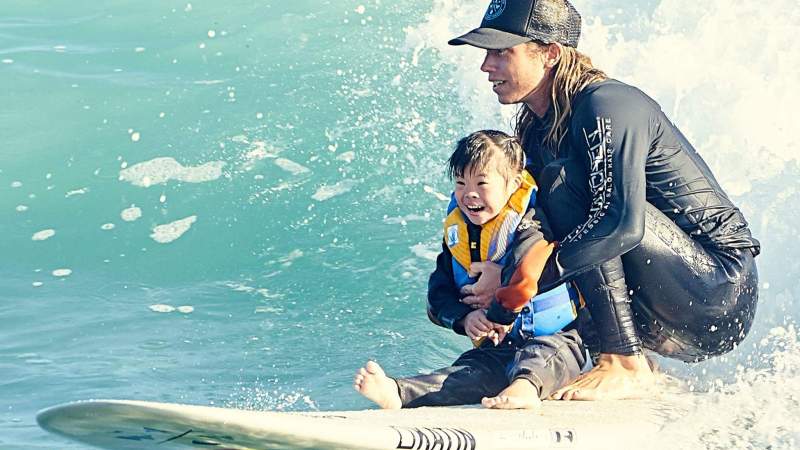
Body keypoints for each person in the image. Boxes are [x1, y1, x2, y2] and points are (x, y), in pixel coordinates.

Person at [447, 0, 761, 401]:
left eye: (501, 52)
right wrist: (496, 283)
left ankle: (624, 361)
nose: (486, 66)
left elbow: (620, 225)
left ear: (550, 54)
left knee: (565, 187)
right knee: (540, 200)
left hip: (716, 291)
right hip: (659, 311)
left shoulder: (607, 104)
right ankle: (598, 361)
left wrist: (520, 280)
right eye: (486, 52)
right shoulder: (536, 126)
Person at [354, 130, 586, 409]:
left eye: (482, 183)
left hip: (559, 334)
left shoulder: (531, 224)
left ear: (513, 184)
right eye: (461, 183)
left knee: (544, 356)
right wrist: (465, 318)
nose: (469, 194)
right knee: (469, 372)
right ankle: (399, 393)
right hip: (499, 346)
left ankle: (525, 388)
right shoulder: (459, 231)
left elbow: (524, 279)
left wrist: (499, 316)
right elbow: (439, 293)